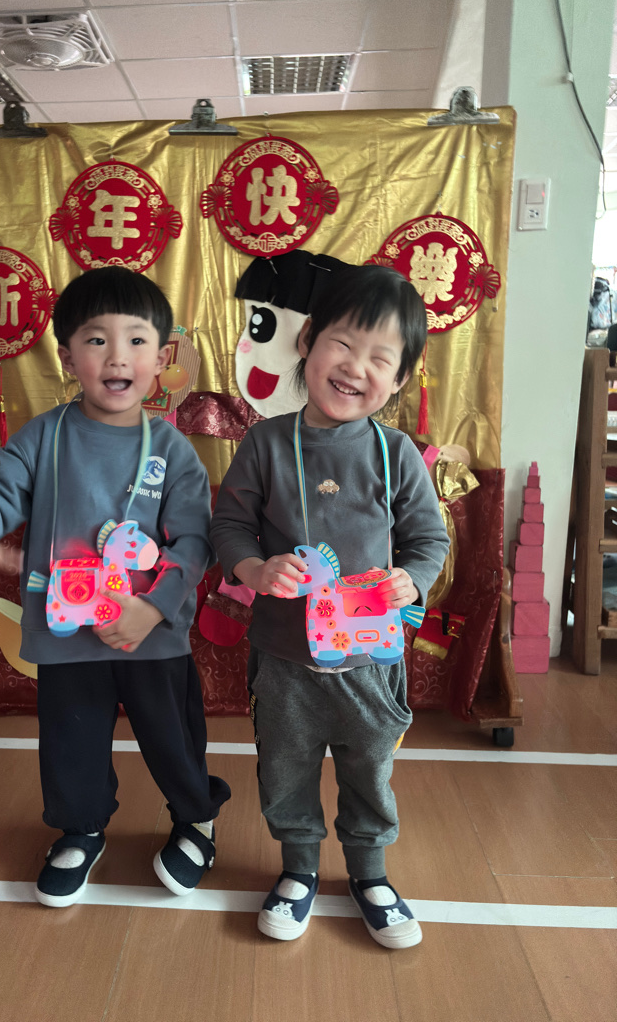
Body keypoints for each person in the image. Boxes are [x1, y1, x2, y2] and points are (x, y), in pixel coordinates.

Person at [0, 266, 230, 908]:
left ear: (163, 357)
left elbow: (194, 543)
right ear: (68, 356)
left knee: (173, 737)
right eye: (97, 340)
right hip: (67, 631)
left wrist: (153, 608)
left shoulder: (174, 452)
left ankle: (196, 819)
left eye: (136, 340)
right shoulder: (43, 437)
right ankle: (81, 827)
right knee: (71, 739)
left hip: (150, 634)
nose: (117, 356)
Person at [210, 264, 449, 948]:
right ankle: (298, 870)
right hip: (284, 657)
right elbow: (229, 527)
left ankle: (371, 874)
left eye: (380, 358)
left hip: (371, 661)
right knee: (285, 767)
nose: (355, 367)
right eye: (342, 343)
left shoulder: (395, 453)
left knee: (369, 768)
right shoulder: (265, 442)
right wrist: (256, 568)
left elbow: (428, 539)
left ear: (400, 379)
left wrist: (411, 579)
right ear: (309, 341)